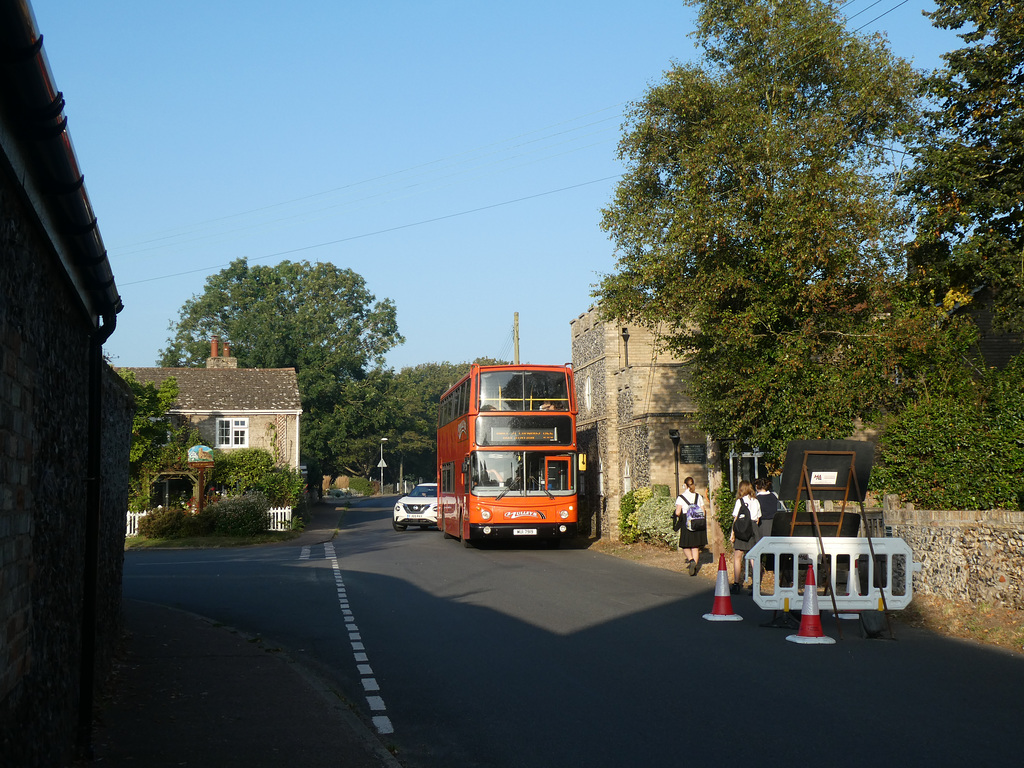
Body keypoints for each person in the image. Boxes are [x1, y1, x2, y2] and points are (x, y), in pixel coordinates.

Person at [729, 480, 761, 593]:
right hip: (752, 529)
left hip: (742, 529)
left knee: (738, 557)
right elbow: (757, 519)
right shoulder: (756, 501)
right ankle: (756, 585)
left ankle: (736, 583)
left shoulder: (739, 501)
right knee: (753, 557)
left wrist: (732, 534)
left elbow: (736, 519)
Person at [673, 476, 708, 576]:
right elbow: (703, 511)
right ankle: (695, 567)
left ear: (685, 485)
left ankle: (691, 560)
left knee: (685, 544)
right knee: (695, 546)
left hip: (686, 521)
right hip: (697, 522)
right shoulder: (698, 496)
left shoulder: (681, 497)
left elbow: (678, 512)